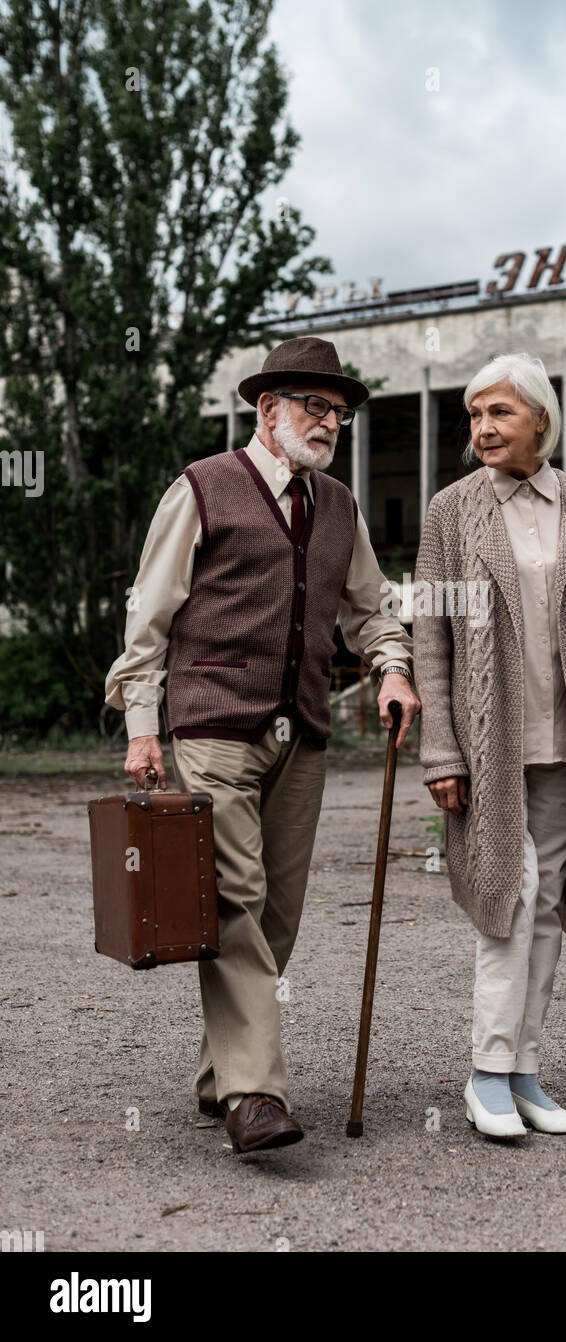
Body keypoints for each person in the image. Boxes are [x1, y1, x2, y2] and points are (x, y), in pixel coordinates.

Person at [105, 335, 420, 1154]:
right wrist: (144, 729)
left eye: (339, 413)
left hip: (301, 732)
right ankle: (254, 1095)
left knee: (277, 914)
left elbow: (371, 608)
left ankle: (220, 1074)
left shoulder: (340, 507)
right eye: (314, 406)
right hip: (213, 725)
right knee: (236, 897)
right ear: (265, 408)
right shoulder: (202, 489)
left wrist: (390, 668)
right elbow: (150, 617)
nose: (328, 423)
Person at [413, 352, 566, 1139]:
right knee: (507, 903)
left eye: (498, 413)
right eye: (473, 416)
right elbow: (428, 637)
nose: (482, 429)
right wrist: (442, 750)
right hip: (488, 747)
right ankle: (486, 1075)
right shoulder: (449, 510)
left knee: (545, 912)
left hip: (564, 747)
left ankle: (524, 1072)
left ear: (540, 418)